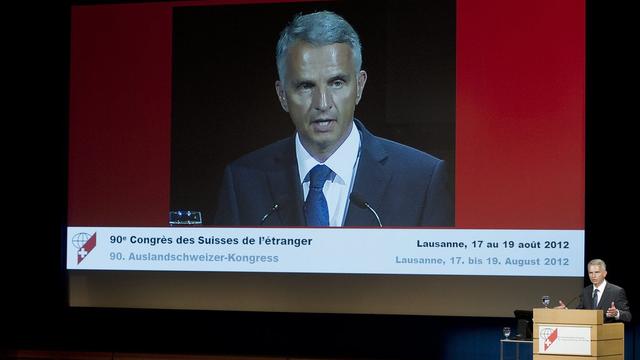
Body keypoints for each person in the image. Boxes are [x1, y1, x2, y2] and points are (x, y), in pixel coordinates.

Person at [214, 10, 453, 227]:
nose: (323, 103)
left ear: (359, 86)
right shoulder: (243, 181)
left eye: (337, 83)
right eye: (306, 86)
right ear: (282, 95)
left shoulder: (421, 180)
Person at [556, 259, 632, 323]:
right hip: (589, 336)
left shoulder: (616, 291)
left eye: (597, 272)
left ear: (605, 273)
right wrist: (566, 312)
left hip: (607, 335)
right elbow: (579, 313)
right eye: (590, 273)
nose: (593, 276)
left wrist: (616, 313)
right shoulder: (586, 291)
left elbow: (628, 316)